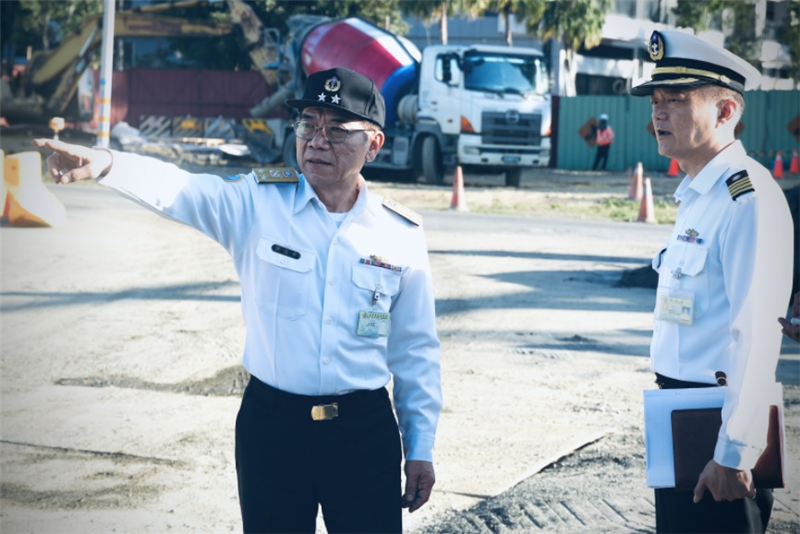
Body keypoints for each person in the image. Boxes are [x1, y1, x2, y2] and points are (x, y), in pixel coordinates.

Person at [34, 66, 442, 534]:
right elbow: (182, 188)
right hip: (273, 428)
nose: (316, 141)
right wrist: (109, 164)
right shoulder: (258, 203)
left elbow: (415, 350)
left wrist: (421, 447)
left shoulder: (398, 233)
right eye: (307, 125)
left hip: (362, 433)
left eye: (336, 130)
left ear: (374, 144)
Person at [630, 31, 794, 533]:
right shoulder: (699, 196)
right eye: (656, 101)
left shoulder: (747, 199)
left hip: (717, 432)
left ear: (726, 112)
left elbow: (757, 337)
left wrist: (734, 452)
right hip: (680, 420)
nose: (659, 114)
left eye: (676, 100)